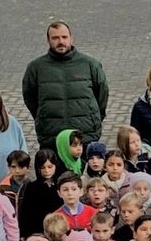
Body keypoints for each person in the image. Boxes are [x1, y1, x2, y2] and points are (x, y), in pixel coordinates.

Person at [21, 21, 109, 149]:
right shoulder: (36, 68)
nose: (61, 41)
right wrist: (43, 118)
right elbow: (30, 98)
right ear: (48, 40)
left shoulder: (90, 64)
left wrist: (94, 118)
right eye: (55, 38)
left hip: (85, 136)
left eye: (64, 37)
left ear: (71, 38)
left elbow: (102, 95)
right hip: (52, 138)